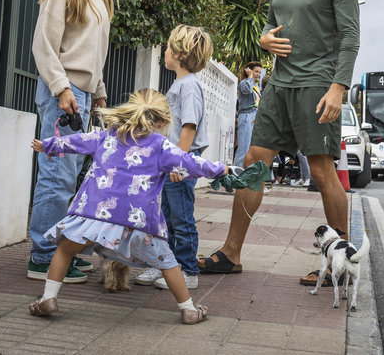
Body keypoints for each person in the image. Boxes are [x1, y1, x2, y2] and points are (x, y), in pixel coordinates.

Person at [197, 0, 360, 287]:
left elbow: (350, 35)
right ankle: (231, 253)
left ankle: (341, 264)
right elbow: (271, 24)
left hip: (318, 83)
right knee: (254, 161)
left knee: (321, 170)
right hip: (280, 83)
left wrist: (338, 88)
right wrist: (263, 39)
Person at [28, 89, 228, 324]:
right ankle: (188, 309)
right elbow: (191, 162)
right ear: (162, 122)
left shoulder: (107, 135)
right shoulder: (161, 146)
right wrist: (221, 169)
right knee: (168, 262)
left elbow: (76, 141)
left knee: (64, 249)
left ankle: (48, 299)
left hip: (94, 215)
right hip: (138, 221)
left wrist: (48, 145)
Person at [28, 0, 118, 283]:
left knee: (69, 178)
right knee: (57, 177)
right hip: (62, 94)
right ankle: (43, 256)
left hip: (79, 93)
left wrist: (98, 91)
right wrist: (62, 88)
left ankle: (57, 252)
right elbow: (43, 45)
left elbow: (91, 52)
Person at [133, 25, 214, 290]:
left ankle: (188, 271)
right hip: (172, 161)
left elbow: (189, 126)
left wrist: (179, 163)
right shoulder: (180, 84)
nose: (165, 51)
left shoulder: (189, 86)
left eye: (168, 47)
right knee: (165, 218)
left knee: (181, 218)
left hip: (181, 161)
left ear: (179, 53)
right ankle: (164, 265)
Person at [234, 61, 263, 168]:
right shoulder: (244, 83)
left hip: (254, 117)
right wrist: (250, 77)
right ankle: (238, 173)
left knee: (252, 149)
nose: (258, 74)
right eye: (256, 71)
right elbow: (247, 90)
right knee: (243, 148)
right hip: (246, 115)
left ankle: (246, 172)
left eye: (259, 72)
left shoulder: (255, 85)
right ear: (249, 71)